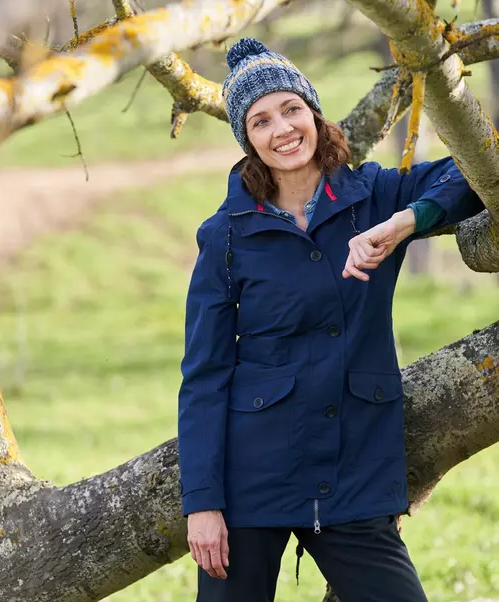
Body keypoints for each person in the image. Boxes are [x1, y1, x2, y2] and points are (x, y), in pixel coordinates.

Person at [177, 38, 484, 602]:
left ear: (314, 115)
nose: (283, 129)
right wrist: (202, 503)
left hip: (356, 473)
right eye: (261, 120)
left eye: (291, 109)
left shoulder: (375, 195)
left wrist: (405, 224)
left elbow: (478, 166)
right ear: (248, 141)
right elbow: (204, 377)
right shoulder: (225, 235)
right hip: (252, 483)